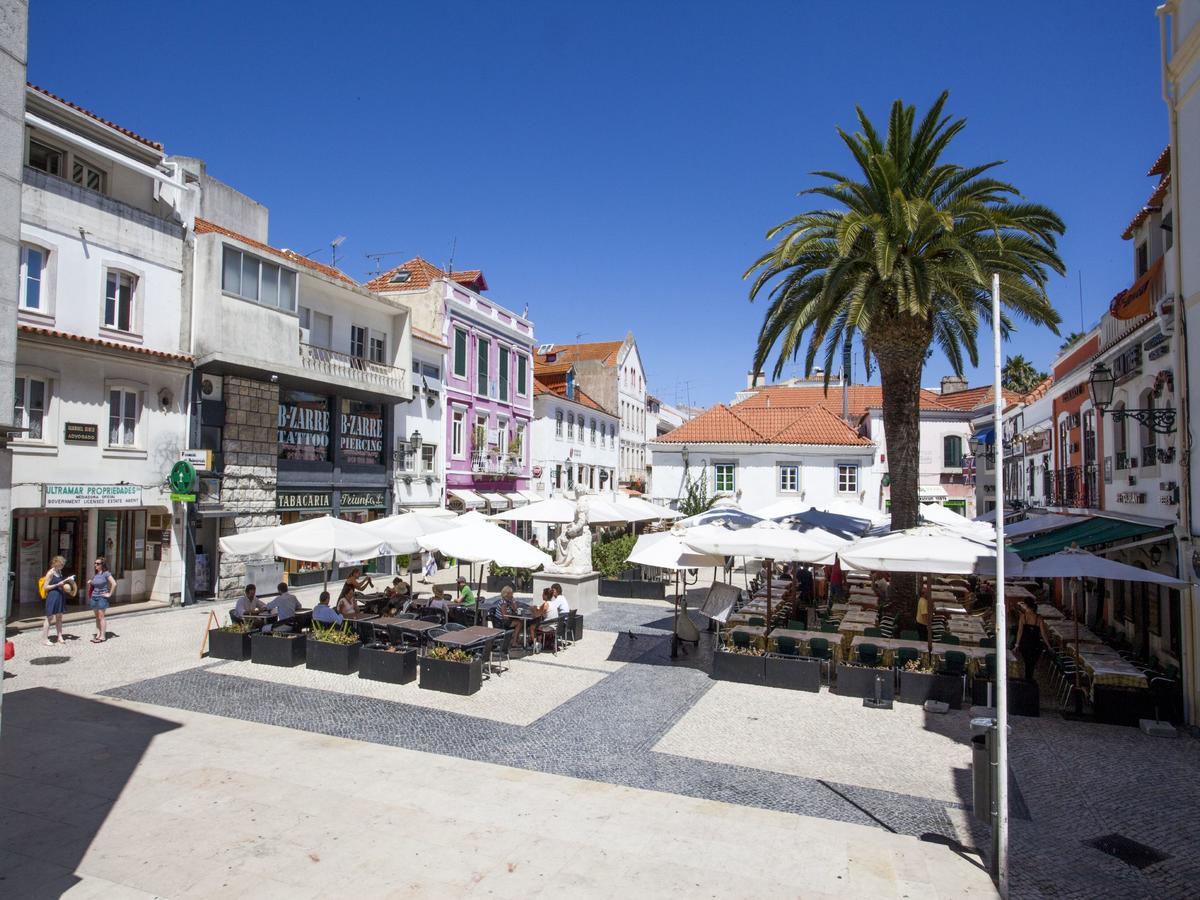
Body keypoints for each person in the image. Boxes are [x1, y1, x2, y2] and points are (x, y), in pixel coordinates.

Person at [1013, 597, 1046, 681]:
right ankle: (1029, 679)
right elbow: (1043, 634)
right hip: (1035, 645)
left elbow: (1020, 631)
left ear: (1026, 605)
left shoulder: (1023, 616)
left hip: (1025, 644)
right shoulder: (1039, 618)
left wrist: (1017, 644)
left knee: (1027, 663)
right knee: (1031, 664)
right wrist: (1048, 646)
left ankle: (1028, 680)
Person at [41, 555, 72, 646]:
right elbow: (45, 587)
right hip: (53, 595)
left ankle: (60, 636)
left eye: (63, 564)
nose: (62, 565)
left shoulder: (59, 571)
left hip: (60, 595)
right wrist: (57, 585)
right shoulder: (50, 572)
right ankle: (45, 638)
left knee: (59, 617)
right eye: (61, 564)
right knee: (49, 617)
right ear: (56, 563)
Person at [88, 557, 116, 643]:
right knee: (97, 617)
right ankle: (98, 634)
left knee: (101, 617)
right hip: (94, 597)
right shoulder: (96, 574)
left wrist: (109, 594)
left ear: (102, 565)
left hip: (102, 598)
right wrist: (91, 582)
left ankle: (103, 636)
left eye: (98, 563)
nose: (95, 565)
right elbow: (96, 585)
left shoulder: (106, 573)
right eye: (95, 563)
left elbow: (114, 583)